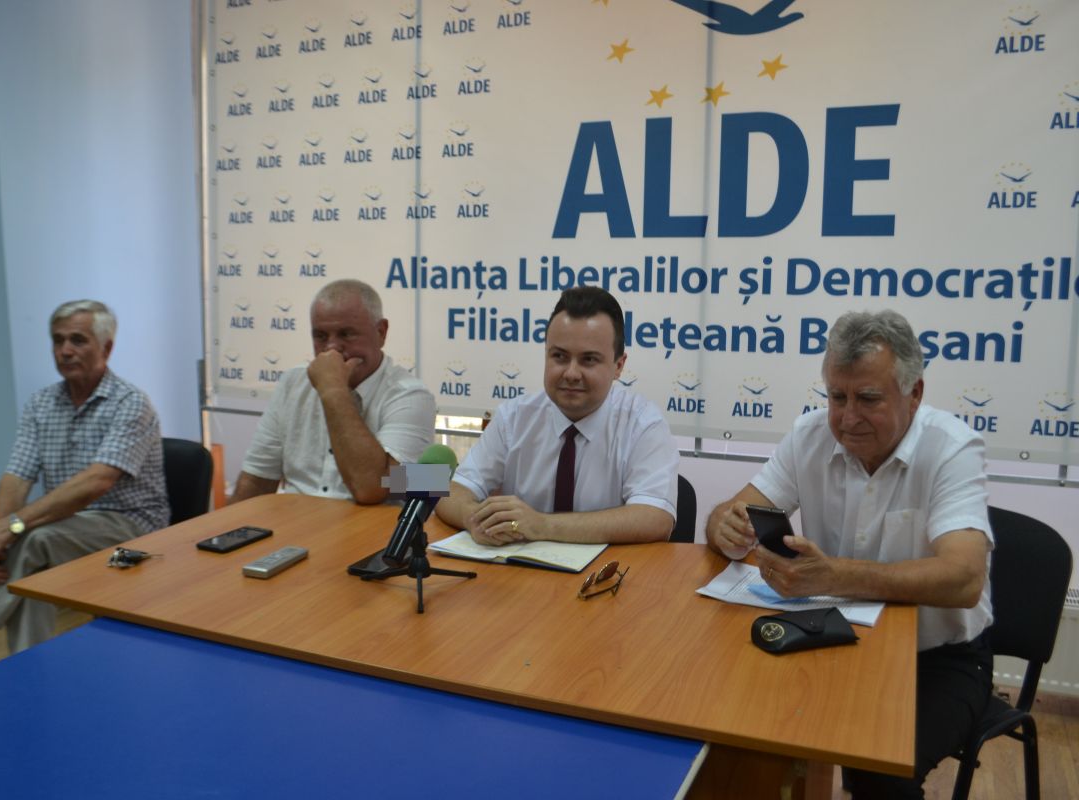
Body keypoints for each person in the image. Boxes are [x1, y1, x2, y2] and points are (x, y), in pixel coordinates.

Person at [705, 310, 992, 799]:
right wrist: (724, 526)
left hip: (936, 659)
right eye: (837, 397)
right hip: (833, 635)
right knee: (735, 715)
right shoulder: (810, 435)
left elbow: (963, 579)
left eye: (868, 399)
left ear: (915, 393)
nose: (848, 417)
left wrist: (832, 576)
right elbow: (734, 511)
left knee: (879, 772)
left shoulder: (951, 448)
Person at [0, 300, 169, 653]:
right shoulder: (41, 403)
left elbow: (97, 482)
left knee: (35, 538)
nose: (65, 350)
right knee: (31, 558)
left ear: (106, 348)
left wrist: (11, 527)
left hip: (132, 529)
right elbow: (15, 478)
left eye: (78, 340)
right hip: (66, 525)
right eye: (58, 341)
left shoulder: (131, 402)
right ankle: (31, 663)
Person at [436, 287, 679, 545]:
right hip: (517, 567)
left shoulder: (643, 424)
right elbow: (448, 491)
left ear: (619, 366)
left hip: (607, 569)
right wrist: (475, 518)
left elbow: (656, 519)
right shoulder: (513, 417)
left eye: (589, 360)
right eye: (559, 356)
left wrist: (541, 525)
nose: (571, 373)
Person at [231, 279, 435, 505]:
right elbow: (257, 479)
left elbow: (372, 488)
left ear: (381, 332)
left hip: (370, 525)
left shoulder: (412, 396)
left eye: (346, 334)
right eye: (320, 336)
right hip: (298, 519)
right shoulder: (292, 383)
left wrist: (334, 390)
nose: (331, 348)